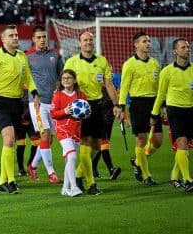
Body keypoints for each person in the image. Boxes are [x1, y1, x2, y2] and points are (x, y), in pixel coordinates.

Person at [0, 25, 39, 195]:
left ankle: (2, 182)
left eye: (16, 35)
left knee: (11, 141)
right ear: (3, 39)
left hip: (17, 102)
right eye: (11, 35)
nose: (16, 37)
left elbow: (28, 77)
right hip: (0, 102)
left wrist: (35, 93)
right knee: (8, 138)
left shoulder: (22, 56)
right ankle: (12, 181)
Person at [64, 31, 120, 195]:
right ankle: (91, 184)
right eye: (85, 40)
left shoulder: (102, 61)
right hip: (80, 107)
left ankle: (79, 174)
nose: (88, 42)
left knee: (96, 145)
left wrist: (117, 105)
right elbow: (65, 84)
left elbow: (109, 85)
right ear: (79, 43)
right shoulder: (72, 62)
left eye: (90, 40)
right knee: (86, 143)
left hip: (97, 106)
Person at [119, 32, 162, 185]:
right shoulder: (129, 64)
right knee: (141, 139)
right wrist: (121, 107)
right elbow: (123, 88)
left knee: (158, 141)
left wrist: (162, 105)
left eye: (149, 41)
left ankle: (137, 161)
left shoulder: (155, 63)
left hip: (154, 104)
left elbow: (159, 88)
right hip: (138, 105)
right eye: (144, 41)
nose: (148, 44)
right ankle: (146, 175)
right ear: (136, 44)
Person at [150, 38, 192, 192]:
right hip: (174, 111)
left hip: (190, 110)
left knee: (185, 146)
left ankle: (174, 176)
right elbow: (161, 94)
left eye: (187, 47)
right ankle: (188, 180)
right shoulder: (167, 71)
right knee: (181, 142)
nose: (187, 49)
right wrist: (154, 114)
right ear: (175, 51)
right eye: (183, 47)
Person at [25, 25, 62, 184]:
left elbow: (61, 75)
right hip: (37, 103)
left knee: (49, 139)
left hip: (53, 103)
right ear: (33, 39)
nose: (42, 40)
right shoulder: (27, 56)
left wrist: (59, 88)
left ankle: (32, 166)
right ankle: (51, 172)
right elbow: (24, 79)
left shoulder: (55, 54)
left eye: (44, 37)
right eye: (38, 37)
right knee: (45, 136)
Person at [50, 69, 86, 197]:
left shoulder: (81, 96)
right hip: (62, 129)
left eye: (69, 78)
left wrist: (86, 113)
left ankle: (65, 188)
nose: (66, 80)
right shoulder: (58, 95)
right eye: (63, 78)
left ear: (74, 80)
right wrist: (65, 111)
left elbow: (85, 111)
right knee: (72, 157)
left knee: (69, 160)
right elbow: (53, 114)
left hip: (76, 129)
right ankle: (74, 187)